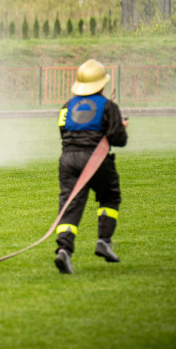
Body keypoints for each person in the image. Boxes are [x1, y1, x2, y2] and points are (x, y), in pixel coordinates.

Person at [54, 59, 129, 275]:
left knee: (70, 205)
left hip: (68, 160)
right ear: (102, 84)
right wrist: (120, 126)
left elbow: (63, 132)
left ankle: (64, 250)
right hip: (96, 160)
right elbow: (118, 139)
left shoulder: (67, 106)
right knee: (109, 197)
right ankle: (104, 241)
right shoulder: (108, 106)